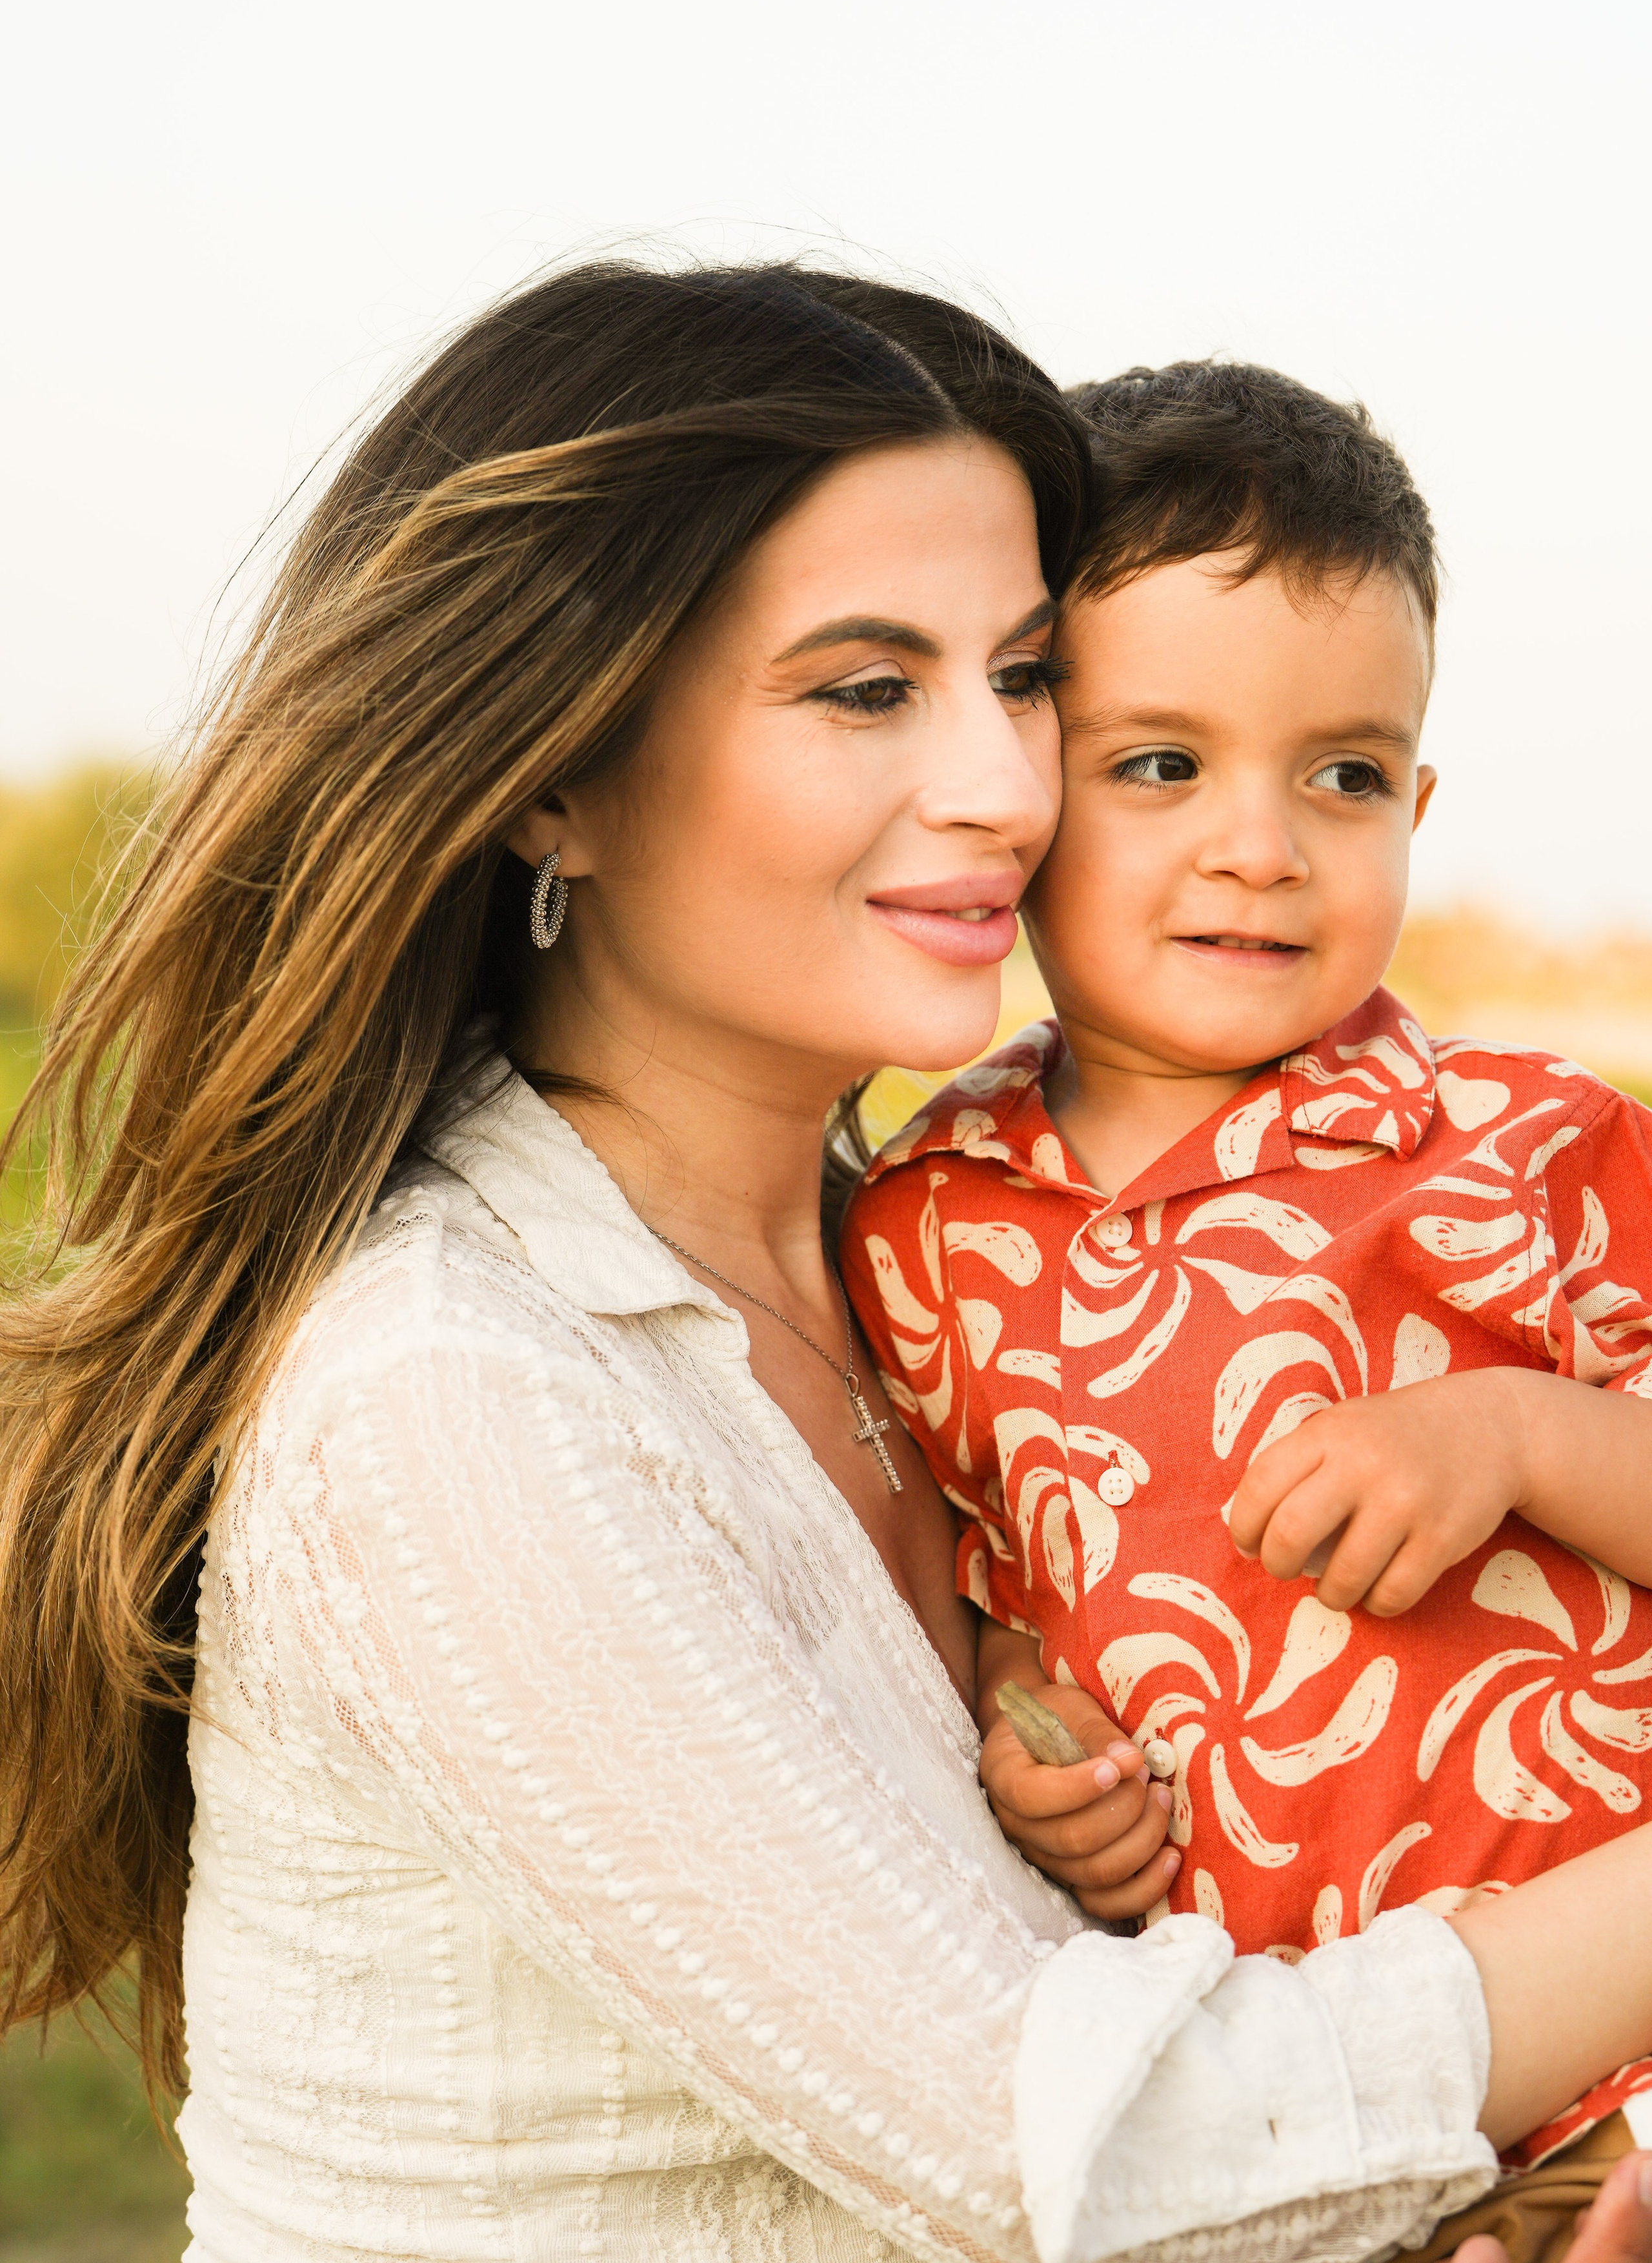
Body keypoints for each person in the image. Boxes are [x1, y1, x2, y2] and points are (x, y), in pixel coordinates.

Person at [3, 272, 1652, 2263]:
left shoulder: (930, 1270)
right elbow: (1093, 2161)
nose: (1009, 785)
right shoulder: (452, 1379)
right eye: (868, 688)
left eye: (1024, 677)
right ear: (556, 774)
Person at [841, 360, 1652, 2251]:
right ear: (1025, 786)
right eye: (1161, 765)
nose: (1263, 846)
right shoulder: (922, 1225)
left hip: (1619, 2050)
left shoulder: (1536, 1148)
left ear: (1417, 802)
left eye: (1346, 775)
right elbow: (994, 1604)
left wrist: (1520, 1433)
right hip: (1295, 2123)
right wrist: (1033, 1750)